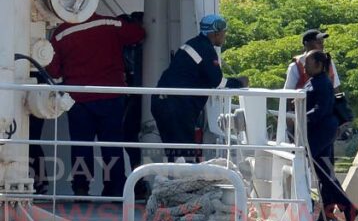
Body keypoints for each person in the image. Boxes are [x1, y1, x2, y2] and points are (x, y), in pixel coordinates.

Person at [47, 11, 146, 197]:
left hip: (78, 99)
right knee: (112, 145)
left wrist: (64, 84)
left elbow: (52, 69)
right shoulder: (109, 23)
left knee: (81, 146)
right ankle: (114, 188)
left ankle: (81, 187)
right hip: (111, 96)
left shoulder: (61, 33)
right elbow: (138, 34)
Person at [152, 14, 247, 162]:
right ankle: (183, 183)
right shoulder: (205, 49)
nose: (225, 36)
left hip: (163, 101)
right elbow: (218, 82)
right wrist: (240, 82)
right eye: (224, 32)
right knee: (184, 155)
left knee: (175, 155)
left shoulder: (193, 44)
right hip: (177, 105)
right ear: (215, 33)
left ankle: (174, 182)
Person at [304, 51, 357, 221]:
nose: (304, 67)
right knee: (325, 173)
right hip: (320, 130)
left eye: (308, 63)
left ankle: (343, 206)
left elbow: (322, 110)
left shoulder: (323, 83)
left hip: (322, 131)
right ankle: (338, 209)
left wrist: (300, 117)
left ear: (319, 64)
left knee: (318, 169)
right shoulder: (314, 81)